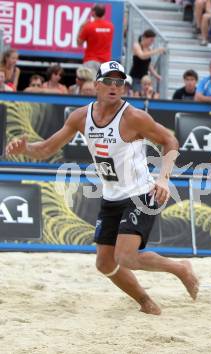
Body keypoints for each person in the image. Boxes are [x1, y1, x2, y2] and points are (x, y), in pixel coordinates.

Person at [6, 61, 199, 315]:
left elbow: (170, 140)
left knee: (126, 257)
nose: (114, 86)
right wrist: (26, 149)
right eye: (108, 81)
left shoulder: (133, 116)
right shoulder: (81, 117)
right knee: (105, 263)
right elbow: (47, 148)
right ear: (96, 85)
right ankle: (146, 303)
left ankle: (181, 268)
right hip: (111, 195)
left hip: (140, 193)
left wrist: (164, 178)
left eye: (119, 82)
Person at [77, 4, 114, 74]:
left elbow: (79, 43)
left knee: (90, 84)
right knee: (102, 85)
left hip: (91, 61)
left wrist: (81, 28)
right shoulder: (110, 27)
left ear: (93, 13)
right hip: (105, 62)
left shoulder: (88, 26)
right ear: (104, 13)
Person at [129, 30, 165, 94]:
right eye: (151, 40)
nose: (152, 42)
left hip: (145, 79)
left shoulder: (149, 49)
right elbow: (142, 56)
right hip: (135, 77)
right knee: (137, 94)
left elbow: (148, 65)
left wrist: (156, 75)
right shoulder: (137, 45)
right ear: (144, 38)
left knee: (146, 95)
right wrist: (157, 51)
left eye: (153, 40)